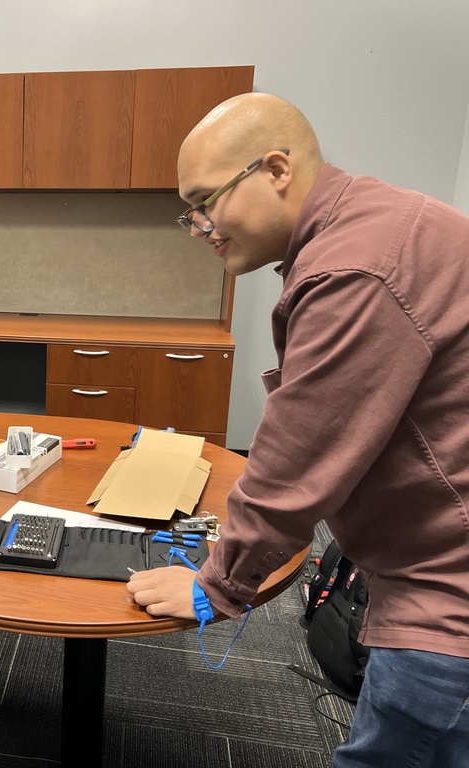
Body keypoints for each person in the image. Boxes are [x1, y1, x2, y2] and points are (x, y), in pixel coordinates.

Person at [126, 93, 469, 766]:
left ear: (276, 168)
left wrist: (216, 584)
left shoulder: (356, 268)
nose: (199, 227)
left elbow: (295, 458)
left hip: (447, 599)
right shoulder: (379, 223)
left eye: (207, 201)